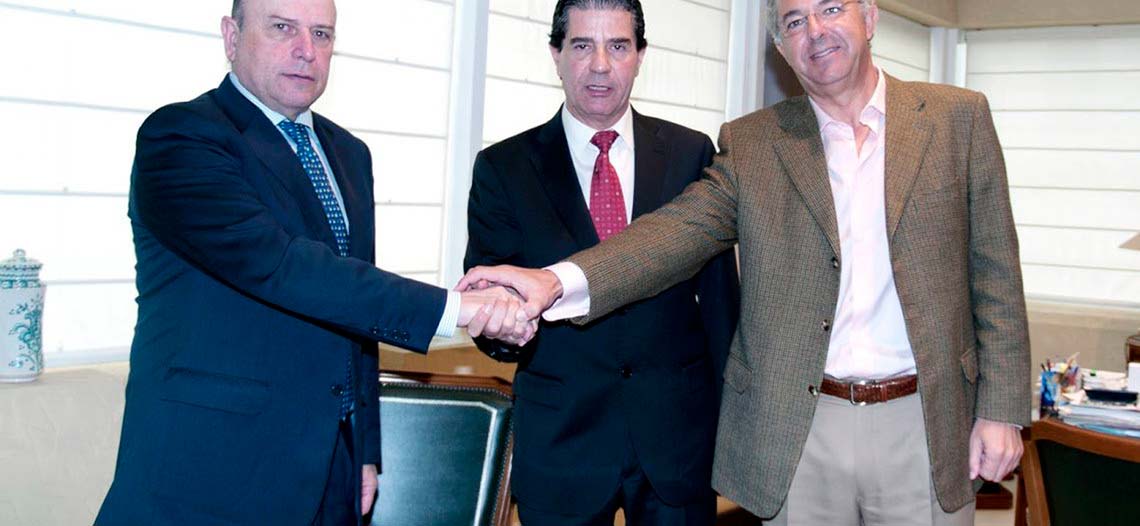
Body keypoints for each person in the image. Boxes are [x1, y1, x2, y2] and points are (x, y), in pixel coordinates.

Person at [462, 0, 1030, 524]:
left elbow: (997, 276)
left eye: (831, 8)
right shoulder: (754, 144)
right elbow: (673, 234)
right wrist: (553, 281)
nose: (815, 31)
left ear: (870, 17)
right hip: (800, 433)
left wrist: (1001, 410)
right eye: (794, 21)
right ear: (780, 46)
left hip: (925, 422)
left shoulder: (957, 119)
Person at [94, 0, 530, 524]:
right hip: (208, 469)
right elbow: (283, 266)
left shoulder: (348, 153)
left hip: (331, 468)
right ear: (231, 36)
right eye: (283, 28)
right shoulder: (182, 137)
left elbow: (352, 314)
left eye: (322, 34)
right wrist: (457, 308)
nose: (306, 50)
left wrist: (364, 448)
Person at [464, 1, 740, 524]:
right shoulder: (504, 168)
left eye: (618, 46)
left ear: (640, 56)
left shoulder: (691, 154)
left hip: (677, 439)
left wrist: (735, 423)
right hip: (563, 443)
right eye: (582, 46)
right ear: (555, 55)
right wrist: (502, 327)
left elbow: (721, 304)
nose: (600, 65)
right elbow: (493, 308)